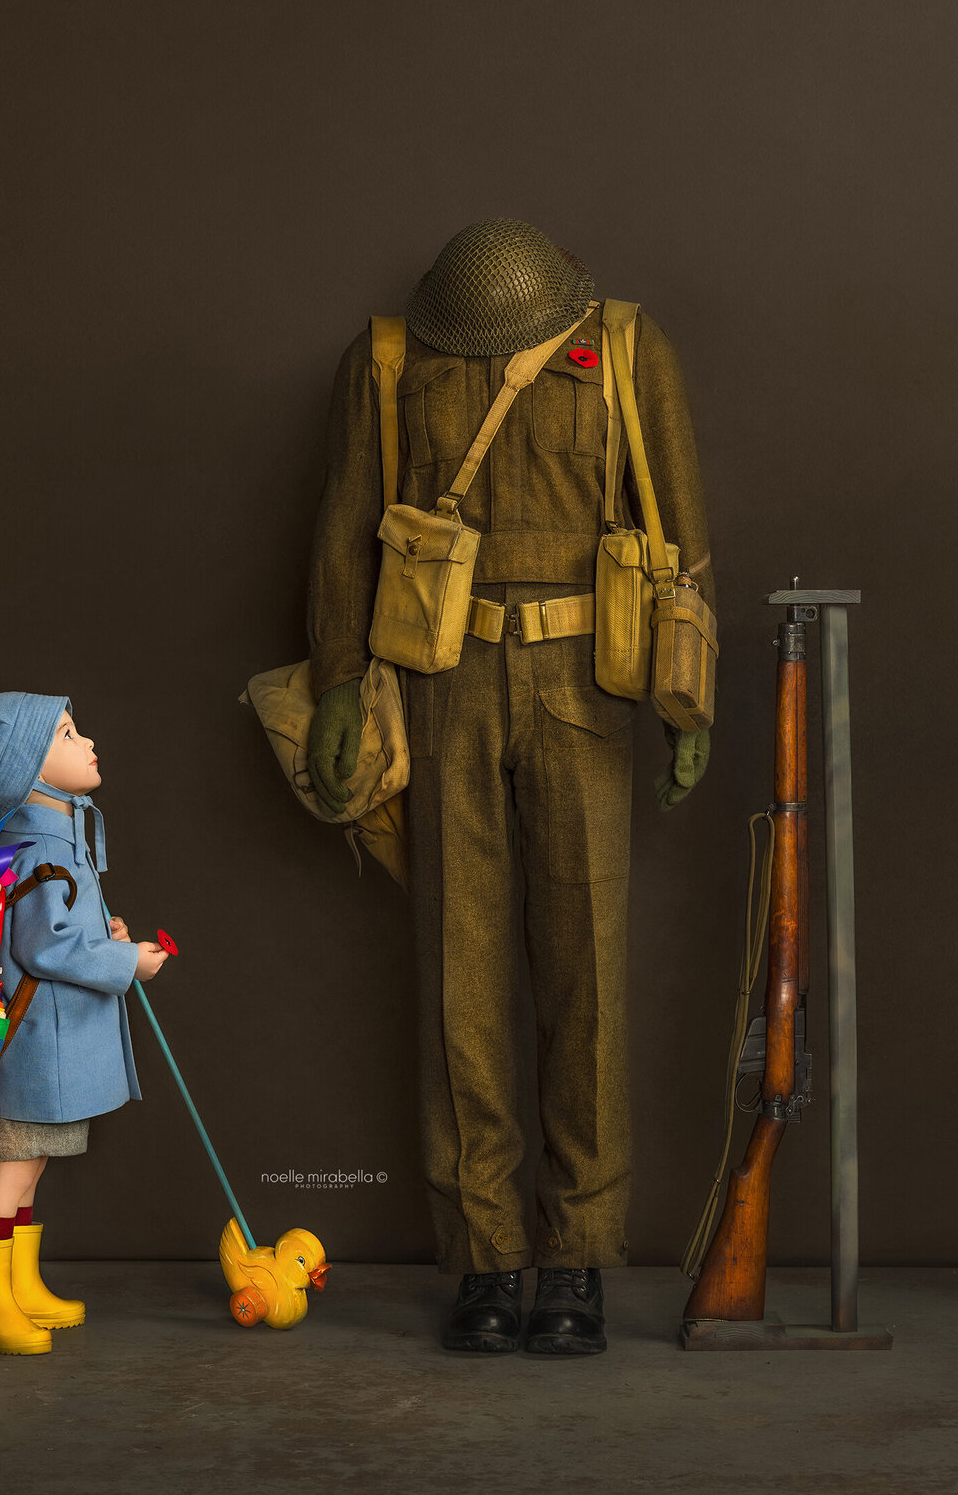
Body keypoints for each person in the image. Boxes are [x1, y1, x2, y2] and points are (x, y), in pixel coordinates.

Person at [305, 220, 714, 1354]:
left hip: (585, 687)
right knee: (461, 974)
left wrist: (690, 697)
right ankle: (487, 1257)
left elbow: (677, 525)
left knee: (587, 974)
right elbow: (345, 526)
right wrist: (340, 679)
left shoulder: (627, 348)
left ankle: (576, 1257)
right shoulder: (389, 361)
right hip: (441, 686)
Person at [0, 691, 169, 1354]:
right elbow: (45, 947)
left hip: (51, 1038)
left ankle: (19, 1284)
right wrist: (128, 960)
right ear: (27, 773)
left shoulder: (48, 836)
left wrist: (108, 932)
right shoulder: (44, 843)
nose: (88, 742)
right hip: (41, 1043)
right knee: (11, 1168)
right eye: (68, 735)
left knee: (30, 1165)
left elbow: (59, 926)